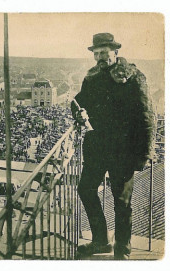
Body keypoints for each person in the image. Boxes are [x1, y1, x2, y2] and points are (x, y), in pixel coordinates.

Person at [71, 33, 155, 260]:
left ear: (115, 52)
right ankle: (100, 241)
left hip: (124, 151)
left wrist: (143, 155)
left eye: (103, 53)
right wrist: (77, 111)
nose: (99, 57)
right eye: (95, 53)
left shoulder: (134, 76)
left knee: (122, 203)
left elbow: (147, 117)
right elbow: (79, 101)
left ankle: (122, 252)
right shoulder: (92, 78)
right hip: (97, 148)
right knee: (86, 189)